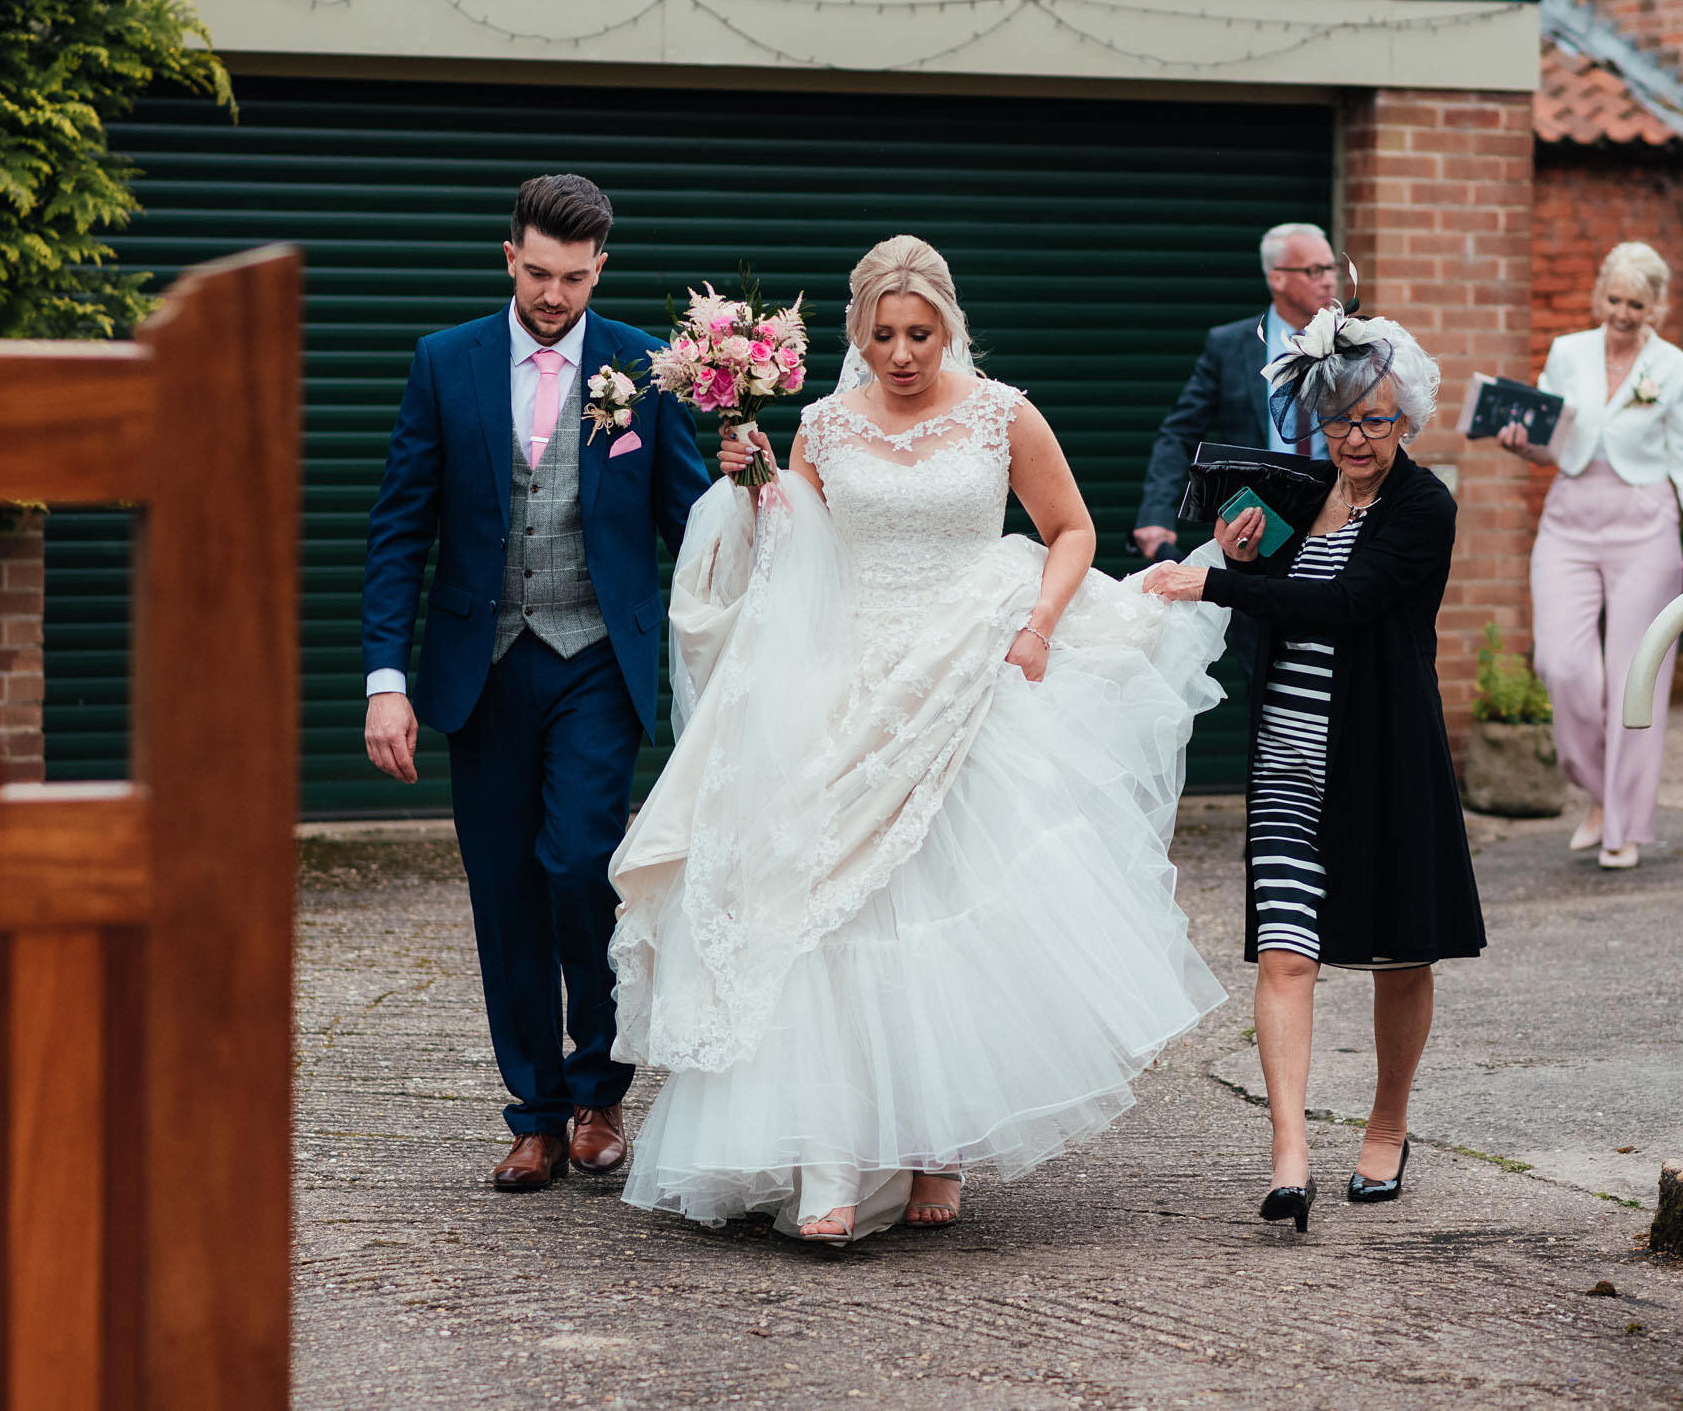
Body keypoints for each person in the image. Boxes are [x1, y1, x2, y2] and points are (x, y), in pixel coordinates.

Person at [607, 235, 1230, 1243]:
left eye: (920, 333)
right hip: (849, 679)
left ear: (949, 328)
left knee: (949, 914)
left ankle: (938, 1144)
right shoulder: (820, 424)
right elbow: (792, 554)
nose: (902, 353)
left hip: (969, 666)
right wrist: (751, 482)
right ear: (857, 335)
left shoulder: (1001, 412)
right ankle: (829, 1159)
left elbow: (1069, 528)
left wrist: (1035, 627)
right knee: (821, 912)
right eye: (884, 334)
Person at [359, 174, 709, 1192]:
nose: (556, 294)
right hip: (482, 666)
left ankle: (601, 1087)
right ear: (508, 254)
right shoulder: (445, 362)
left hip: (597, 657)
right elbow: (398, 529)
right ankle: (535, 1114)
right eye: (540, 271)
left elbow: (693, 517)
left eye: (576, 275)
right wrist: (388, 677)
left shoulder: (647, 364)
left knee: (579, 864)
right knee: (504, 891)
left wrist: (754, 492)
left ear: (600, 268)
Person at [1142, 312, 1482, 1224]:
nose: (1355, 439)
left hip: (1383, 759)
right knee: (1288, 955)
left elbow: (1343, 606)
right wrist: (1237, 553)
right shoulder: (1293, 496)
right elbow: (1273, 609)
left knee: (1397, 954)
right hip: (1289, 762)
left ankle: (1388, 1119)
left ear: (1406, 418)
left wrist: (1212, 578)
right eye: (1337, 420)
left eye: (1374, 419)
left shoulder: (1424, 507)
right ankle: (1289, 1154)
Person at [1496, 243, 1683, 871]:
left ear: (1656, 307)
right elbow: (1548, 441)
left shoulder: (1675, 369)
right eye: (1613, 300)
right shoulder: (1567, 353)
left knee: (1635, 678)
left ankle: (1624, 826)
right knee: (1561, 667)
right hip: (1568, 522)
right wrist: (1522, 444)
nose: (1622, 314)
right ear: (1601, 296)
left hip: (1644, 527)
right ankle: (1599, 793)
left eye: (1635, 305)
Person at [1132, 222, 1345, 562]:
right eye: (1314, 270)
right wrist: (1155, 515)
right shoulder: (1229, 345)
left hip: (1336, 521)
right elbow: (1179, 433)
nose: (1330, 280)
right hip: (1255, 527)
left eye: (1331, 268)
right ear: (1277, 278)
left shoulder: (1352, 345)